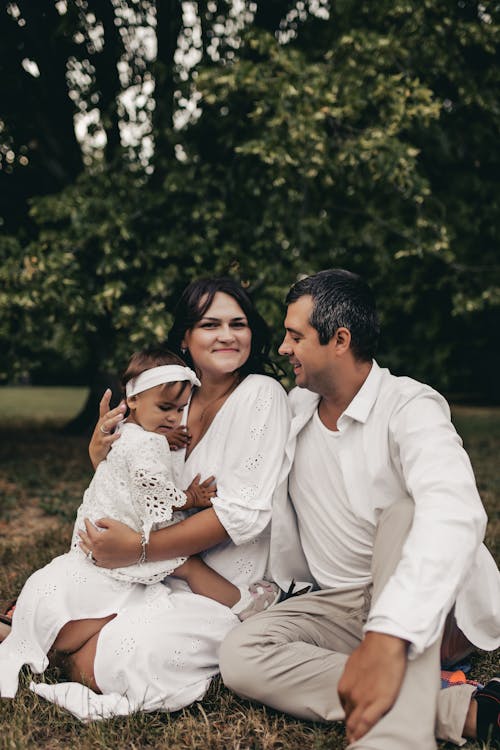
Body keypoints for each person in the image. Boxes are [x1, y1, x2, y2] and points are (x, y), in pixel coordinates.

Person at [220, 269, 500, 749]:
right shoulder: (293, 411)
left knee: (408, 514)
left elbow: (457, 512)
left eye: (295, 336)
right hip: (340, 604)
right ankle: (464, 708)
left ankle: (392, 735)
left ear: (340, 340)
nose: (284, 349)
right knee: (240, 655)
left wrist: (388, 633)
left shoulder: (409, 407)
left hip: (429, 605)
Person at [0, 277, 290, 721]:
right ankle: (60, 636)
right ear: (185, 339)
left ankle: (82, 648)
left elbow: (242, 516)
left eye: (239, 323)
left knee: (122, 656)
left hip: (212, 580)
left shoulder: (261, 394)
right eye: (210, 324)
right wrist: (101, 453)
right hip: (141, 570)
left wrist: (140, 549)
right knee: (48, 593)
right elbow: (135, 483)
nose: (228, 335)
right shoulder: (172, 399)